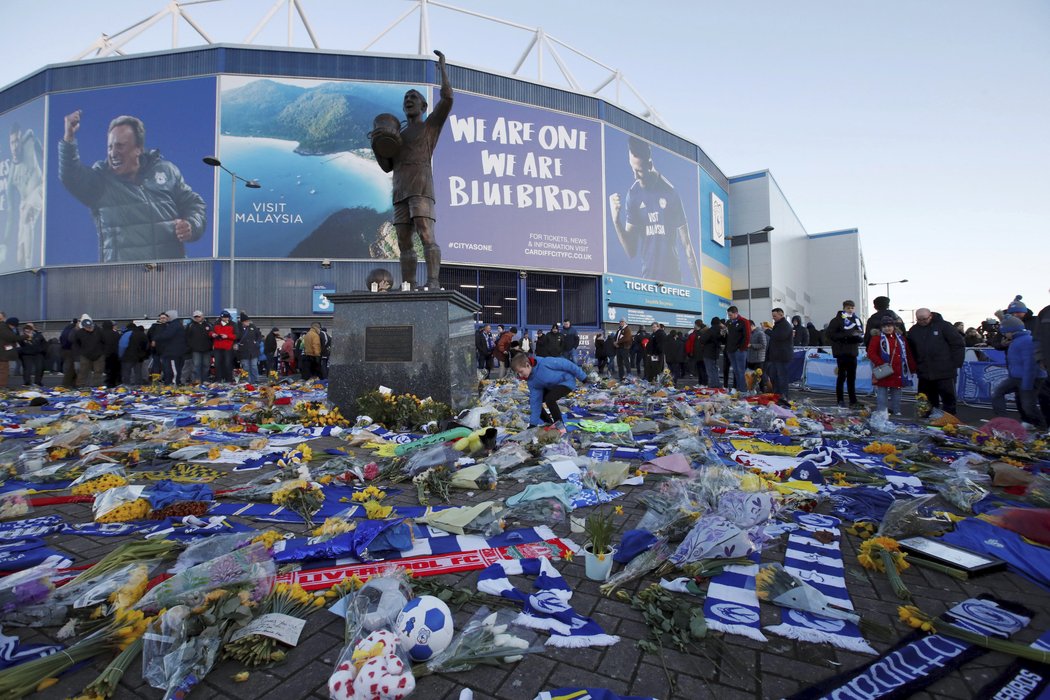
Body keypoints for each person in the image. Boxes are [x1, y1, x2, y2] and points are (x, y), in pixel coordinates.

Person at [58, 111, 206, 262]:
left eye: (120, 146)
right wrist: (69, 138)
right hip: (123, 279)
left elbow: (194, 204)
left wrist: (192, 225)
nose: (113, 153)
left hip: (169, 277)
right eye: (110, 147)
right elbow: (71, 176)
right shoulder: (100, 181)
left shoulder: (167, 171)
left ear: (138, 149)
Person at [374, 50, 452, 290]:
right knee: (403, 240)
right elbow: (387, 166)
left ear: (423, 105)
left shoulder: (429, 127)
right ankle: (408, 284)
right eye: (405, 98)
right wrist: (377, 146)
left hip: (421, 188)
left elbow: (447, 99)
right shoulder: (397, 136)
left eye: (413, 97)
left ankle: (433, 282)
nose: (408, 100)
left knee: (426, 233)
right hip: (399, 190)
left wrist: (443, 70)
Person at [608, 136, 701, 286]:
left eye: (639, 171)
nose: (635, 176)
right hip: (648, 282)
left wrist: (699, 291)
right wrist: (616, 220)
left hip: (673, 283)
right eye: (632, 169)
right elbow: (631, 251)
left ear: (650, 165)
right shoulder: (633, 195)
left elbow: (687, 246)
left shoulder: (670, 192)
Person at [907, 307, 965, 416]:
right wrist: (914, 365)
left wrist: (956, 363)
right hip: (924, 370)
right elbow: (911, 349)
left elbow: (957, 344)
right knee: (925, 398)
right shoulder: (914, 330)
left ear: (930, 316)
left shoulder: (944, 326)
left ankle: (950, 418)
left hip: (944, 369)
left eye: (924, 319)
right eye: (919, 319)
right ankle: (927, 417)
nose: (922, 322)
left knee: (948, 397)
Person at [991, 315, 1046, 429]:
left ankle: (1042, 427)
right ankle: (1004, 421)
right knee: (997, 393)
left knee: (1028, 405)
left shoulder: (1025, 341)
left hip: (1029, 377)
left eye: (1005, 332)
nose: (1004, 335)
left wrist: (1027, 384)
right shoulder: (1016, 340)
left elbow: (1029, 363)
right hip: (1017, 377)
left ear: (1011, 331)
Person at [510, 352, 587, 427]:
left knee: (550, 399)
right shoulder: (531, 381)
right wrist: (533, 424)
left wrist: (583, 377)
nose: (520, 375)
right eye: (518, 373)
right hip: (552, 387)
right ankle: (548, 422)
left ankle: (559, 425)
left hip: (566, 381)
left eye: (521, 371)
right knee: (534, 401)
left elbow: (567, 364)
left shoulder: (545, 363)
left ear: (527, 365)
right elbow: (536, 401)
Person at [4, 123, 43, 269]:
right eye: (12, 142)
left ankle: (31, 266)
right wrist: (5, 241)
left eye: (17, 141)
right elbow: (11, 212)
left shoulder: (29, 140)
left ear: (21, 141)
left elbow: (33, 137)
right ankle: (25, 270)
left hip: (40, 189)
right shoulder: (11, 177)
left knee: (28, 214)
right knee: (18, 256)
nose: (15, 146)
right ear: (10, 144)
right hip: (25, 203)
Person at [868, 315, 916, 416]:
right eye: (884, 326)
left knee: (897, 392)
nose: (887, 328)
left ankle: (896, 411)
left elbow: (907, 353)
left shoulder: (900, 339)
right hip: (884, 369)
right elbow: (871, 353)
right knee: (882, 392)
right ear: (881, 328)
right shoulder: (877, 338)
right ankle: (882, 412)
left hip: (898, 370)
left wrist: (912, 367)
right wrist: (881, 363)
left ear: (894, 326)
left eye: (889, 326)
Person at [827, 300, 865, 408]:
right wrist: (846, 335)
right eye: (848, 308)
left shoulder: (857, 320)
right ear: (844, 308)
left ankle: (853, 400)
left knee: (852, 377)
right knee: (841, 376)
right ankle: (840, 399)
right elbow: (830, 334)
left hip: (852, 351)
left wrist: (857, 338)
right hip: (842, 351)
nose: (850, 310)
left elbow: (860, 333)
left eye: (852, 308)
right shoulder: (837, 320)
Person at [151, 311, 187, 385]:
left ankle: (173, 383)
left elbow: (167, 335)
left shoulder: (174, 325)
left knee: (172, 369)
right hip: (172, 351)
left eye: (167, 316)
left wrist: (155, 338)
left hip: (173, 352)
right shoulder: (175, 324)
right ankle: (170, 382)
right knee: (170, 368)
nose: (166, 318)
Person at [768, 308, 795, 400]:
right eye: (773, 316)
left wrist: (767, 331)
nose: (773, 318)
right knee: (773, 376)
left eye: (775, 316)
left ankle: (783, 396)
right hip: (776, 356)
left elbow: (779, 337)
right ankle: (777, 394)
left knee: (782, 377)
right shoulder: (779, 325)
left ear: (781, 315)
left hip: (782, 357)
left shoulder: (785, 325)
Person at [724, 306, 751, 392]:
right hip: (731, 350)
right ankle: (738, 389)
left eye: (731, 315)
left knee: (740, 371)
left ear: (736, 313)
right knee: (735, 371)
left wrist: (742, 348)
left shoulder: (744, 321)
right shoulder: (729, 322)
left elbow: (747, 336)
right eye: (728, 315)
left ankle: (742, 390)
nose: (729, 317)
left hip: (739, 351)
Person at [73, 316, 105, 387]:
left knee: (98, 371)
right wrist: (80, 352)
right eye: (87, 327)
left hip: (98, 355)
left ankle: (97, 386)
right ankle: (81, 385)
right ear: (83, 327)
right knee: (83, 371)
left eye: (90, 327)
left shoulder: (99, 331)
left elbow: (105, 342)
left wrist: (102, 352)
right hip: (85, 355)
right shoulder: (79, 333)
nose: (89, 328)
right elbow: (76, 343)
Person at [186, 310, 213, 384]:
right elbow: (187, 337)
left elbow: (213, 336)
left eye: (199, 316)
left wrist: (211, 346)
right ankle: (197, 380)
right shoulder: (190, 325)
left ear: (202, 316)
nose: (197, 318)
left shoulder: (209, 325)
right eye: (196, 317)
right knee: (196, 366)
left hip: (207, 349)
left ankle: (205, 380)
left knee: (206, 365)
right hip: (195, 349)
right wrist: (190, 346)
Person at [235, 314, 262, 383]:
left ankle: (256, 380)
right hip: (243, 351)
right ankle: (247, 380)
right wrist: (236, 344)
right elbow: (235, 338)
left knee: (254, 366)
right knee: (246, 367)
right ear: (242, 322)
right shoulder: (238, 328)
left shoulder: (252, 327)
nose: (248, 322)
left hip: (253, 350)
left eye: (248, 321)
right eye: (246, 321)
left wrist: (257, 343)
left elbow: (259, 335)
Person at [120, 321, 148, 385]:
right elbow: (146, 345)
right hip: (139, 357)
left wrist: (120, 355)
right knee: (138, 372)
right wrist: (143, 354)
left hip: (127, 357)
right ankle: (138, 385)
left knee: (127, 371)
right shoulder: (141, 334)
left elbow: (122, 346)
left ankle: (127, 384)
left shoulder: (126, 334)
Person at [17, 322, 46, 386]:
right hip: (26, 354)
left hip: (38, 353)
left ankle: (38, 382)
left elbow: (44, 344)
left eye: (30, 327)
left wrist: (42, 351)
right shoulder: (22, 336)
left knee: (39, 368)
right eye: (27, 326)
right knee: (27, 368)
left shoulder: (39, 335)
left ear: (33, 328)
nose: (29, 328)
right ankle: (27, 382)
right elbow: (19, 345)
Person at [699, 317, 725, 388]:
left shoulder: (710, 330)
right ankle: (717, 384)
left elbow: (702, 340)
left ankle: (713, 385)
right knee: (715, 370)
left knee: (710, 370)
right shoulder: (720, 330)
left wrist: (701, 337)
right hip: (716, 352)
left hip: (708, 353)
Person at [211, 312, 236, 382]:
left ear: (229, 317)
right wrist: (213, 334)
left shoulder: (233, 324)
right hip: (217, 347)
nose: (225, 318)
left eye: (226, 317)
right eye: (223, 317)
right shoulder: (216, 323)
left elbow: (237, 335)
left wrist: (227, 336)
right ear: (221, 317)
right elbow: (210, 332)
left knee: (227, 364)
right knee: (217, 364)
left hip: (228, 348)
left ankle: (229, 379)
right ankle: (218, 379)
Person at [0, 313, 20, 388]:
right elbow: (12, 338)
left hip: (5, 353)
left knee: (4, 370)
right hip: (3, 354)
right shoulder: (4, 328)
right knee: (3, 371)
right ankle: (2, 386)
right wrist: (26, 336)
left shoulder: (5, 328)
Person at [59, 317, 80, 388]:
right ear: (77, 323)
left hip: (64, 349)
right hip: (71, 350)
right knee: (72, 368)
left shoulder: (66, 328)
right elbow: (72, 339)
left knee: (71, 368)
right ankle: (69, 384)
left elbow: (61, 338)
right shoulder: (74, 330)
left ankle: (68, 384)